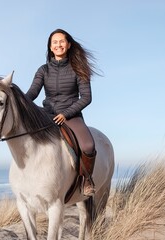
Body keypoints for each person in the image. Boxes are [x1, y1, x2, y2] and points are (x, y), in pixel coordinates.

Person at [25, 28, 97, 196]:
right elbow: (32, 93)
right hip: (47, 113)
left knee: (88, 145)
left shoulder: (79, 68)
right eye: (54, 42)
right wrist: (18, 99)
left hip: (71, 115)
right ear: (50, 47)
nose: (58, 45)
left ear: (69, 44)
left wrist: (66, 113)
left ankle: (87, 179)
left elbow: (86, 97)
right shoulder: (43, 70)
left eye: (61, 41)